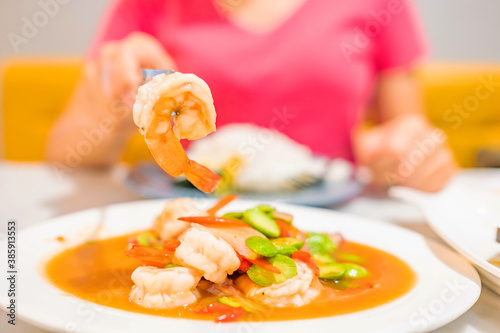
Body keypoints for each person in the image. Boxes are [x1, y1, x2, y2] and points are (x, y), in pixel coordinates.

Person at [46, 0, 457, 192]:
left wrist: (412, 153)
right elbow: (67, 156)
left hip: (338, 216)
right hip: (186, 209)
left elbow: (405, 129)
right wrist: (113, 102)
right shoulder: (149, 4)